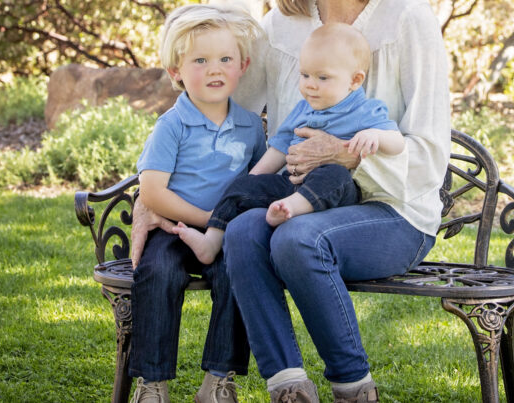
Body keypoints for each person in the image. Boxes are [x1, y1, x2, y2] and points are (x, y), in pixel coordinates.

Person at [226, 0, 451, 403]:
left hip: (395, 213)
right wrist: (156, 185)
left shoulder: (409, 19)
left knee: (300, 239)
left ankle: (354, 390)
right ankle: (288, 387)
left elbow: (429, 154)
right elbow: (226, 110)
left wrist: (347, 156)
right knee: (242, 233)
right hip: (301, 201)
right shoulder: (282, 23)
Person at [126, 2, 267, 403]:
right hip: (172, 227)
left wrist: (223, 225)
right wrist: (207, 218)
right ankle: (152, 382)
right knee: (159, 274)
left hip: (224, 235)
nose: (215, 69)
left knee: (240, 273)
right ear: (177, 73)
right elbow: (152, 193)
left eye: (225, 59)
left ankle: (218, 381)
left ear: (243, 65)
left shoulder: (249, 127)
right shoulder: (172, 124)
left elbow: (256, 185)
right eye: (200, 61)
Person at [174, 22, 406, 265]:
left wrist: (375, 136)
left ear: (355, 80)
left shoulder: (365, 110)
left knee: (335, 174)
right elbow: (280, 147)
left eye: (322, 77)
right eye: (304, 75)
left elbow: (397, 143)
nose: (310, 84)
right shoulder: (303, 108)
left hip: (335, 192)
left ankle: (290, 210)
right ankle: (211, 241)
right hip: (291, 185)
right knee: (243, 186)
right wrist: (251, 181)